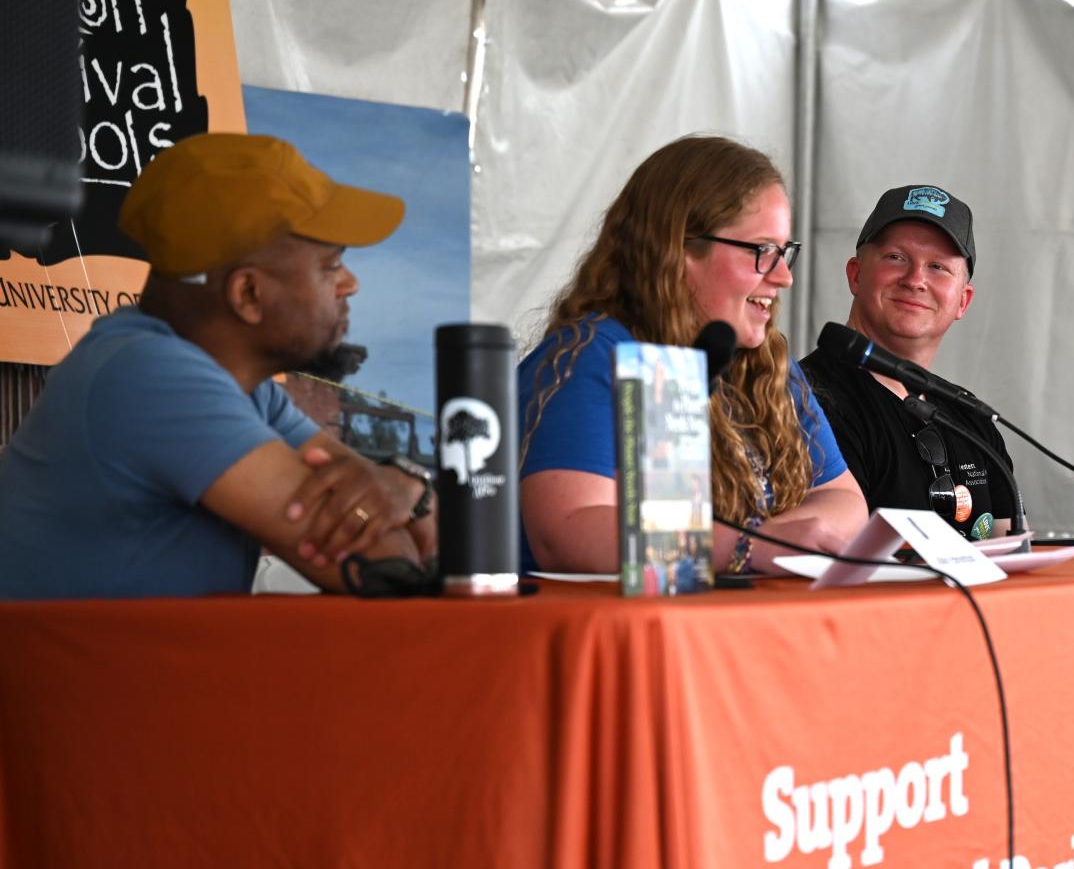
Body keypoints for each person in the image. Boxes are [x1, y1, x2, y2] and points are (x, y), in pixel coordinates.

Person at [0, 133, 436, 599]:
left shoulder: (245, 389)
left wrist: (405, 485)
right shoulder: (149, 376)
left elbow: (405, 524)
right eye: (330, 266)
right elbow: (386, 570)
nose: (351, 284)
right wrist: (406, 496)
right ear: (247, 294)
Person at [517, 135, 868, 574]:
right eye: (762, 251)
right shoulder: (595, 357)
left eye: (785, 253)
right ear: (678, 250)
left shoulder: (766, 365)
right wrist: (750, 547)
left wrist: (771, 542)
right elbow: (566, 532)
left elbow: (844, 501)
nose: (783, 277)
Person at [800, 185, 1017, 540]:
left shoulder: (973, 418)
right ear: (855, 274)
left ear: (963, 301)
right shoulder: (804, 400)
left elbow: (1011, 548)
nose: (916, 280)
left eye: (938, 267)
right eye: (896, 258)